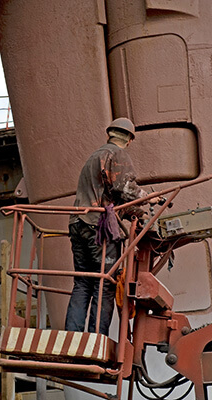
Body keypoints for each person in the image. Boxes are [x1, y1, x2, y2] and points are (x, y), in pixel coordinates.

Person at [65, 117, 156, 335]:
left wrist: (133, 212)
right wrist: (150, 198)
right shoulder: (118, 154)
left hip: (78, 223)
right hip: (98, 228)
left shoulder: (93, 157)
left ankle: (73, 336)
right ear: (129, 139)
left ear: (110, 134)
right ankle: (96, 338)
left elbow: (110, 195)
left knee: (83, 282)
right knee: (105, 283)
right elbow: (124, 189)